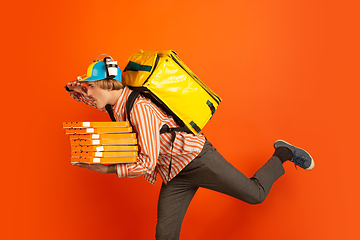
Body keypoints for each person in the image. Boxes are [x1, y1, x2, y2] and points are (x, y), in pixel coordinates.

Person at [65, 56, 315, 240]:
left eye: (91, 85)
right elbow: (92, 97)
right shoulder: (114, 105)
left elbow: (147, 163)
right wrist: (75, 88)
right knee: (165, 236)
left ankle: (282, 153)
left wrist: (107, 169)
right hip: (174, 174)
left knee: (255, 195)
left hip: (197, 159)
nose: (89, 92)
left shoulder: (139, 109)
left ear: (108, 85)